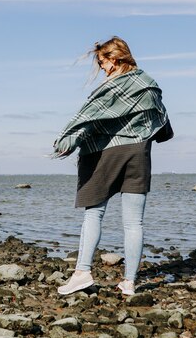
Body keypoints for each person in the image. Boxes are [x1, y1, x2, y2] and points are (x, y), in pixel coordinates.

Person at [52, 36, 173, 296]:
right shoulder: (148, 83)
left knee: (94, 213)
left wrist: (68, 140)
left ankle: (82, 273)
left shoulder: (111, 86)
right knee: (134, 223)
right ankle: (129, 282)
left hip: (107, 152)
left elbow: (89, 117)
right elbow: (160, 118)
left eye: (102, 62)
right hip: (139, 152)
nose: (102, 68)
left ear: (114, 58)